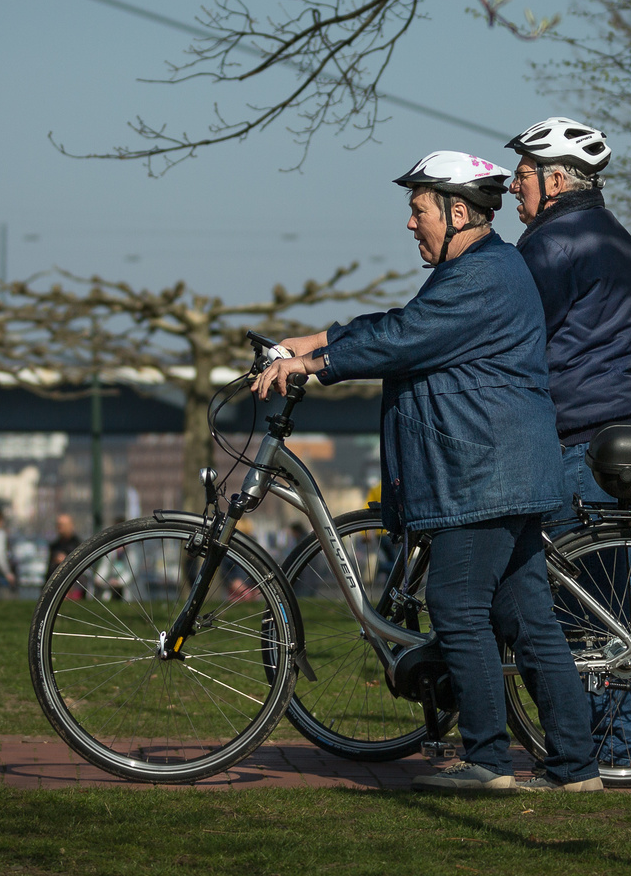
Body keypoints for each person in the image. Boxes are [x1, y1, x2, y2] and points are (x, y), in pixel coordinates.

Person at [254, 150, 602, 794]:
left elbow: (406, 339)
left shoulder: (486, 274)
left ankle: (489, 762)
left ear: (458, 211)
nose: (410, 224)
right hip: (498, 470)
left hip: (483, 473)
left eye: (418, 211)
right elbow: (404, 325)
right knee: (526, 620)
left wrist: (315, 364)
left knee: (457, 607)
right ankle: (575, 769)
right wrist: (320, 338)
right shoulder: (477, 270)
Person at [506, 115, 631, 765]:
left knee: (577, 607)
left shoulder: (549, 245)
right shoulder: (614, 237)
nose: (512, 187)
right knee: (612, 597)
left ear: (556, 179)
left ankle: (610, 748)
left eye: (523, 174)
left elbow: (507, 336)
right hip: (627, 429)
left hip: (578, 437)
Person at [45, 513, 81, 583]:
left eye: (62, 525)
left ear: (71, 526)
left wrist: (66, 561)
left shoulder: (78, 546)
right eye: (58, 525)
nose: (60, 528)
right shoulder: (55, 547)